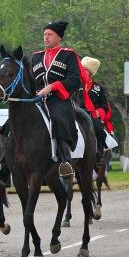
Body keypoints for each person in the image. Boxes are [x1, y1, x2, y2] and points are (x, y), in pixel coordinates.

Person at [31, 21, 93, 182]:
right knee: (14, 121)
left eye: (50, 34)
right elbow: (31, 81)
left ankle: (65, 161)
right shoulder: (36, 57)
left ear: (59, 37)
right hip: (37, 99)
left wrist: (52, 87)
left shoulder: (69, 55)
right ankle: (4, 164)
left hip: (59, 99)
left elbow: (75, 80)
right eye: (44, 34)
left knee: (58, 117)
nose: (46, 37)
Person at [80, 56, 116, 166]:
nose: (82, 72)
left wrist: (98, 112)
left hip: (91, 114)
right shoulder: (75, 83)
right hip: (75, 111)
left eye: (84, 70)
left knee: (98, 128)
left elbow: (104, 106)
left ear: (90, 73)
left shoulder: (98, 88)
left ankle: (99, 154)